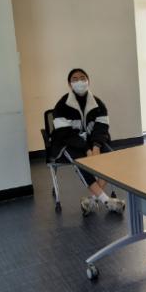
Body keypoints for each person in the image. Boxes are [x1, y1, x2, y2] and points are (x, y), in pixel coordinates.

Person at [50, 68, 124, 216]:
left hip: (92, 141)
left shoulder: (98, 104)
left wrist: (96, 146)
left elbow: (102, 128)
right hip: (68, 143)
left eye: (82, 78)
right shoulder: (62, 105)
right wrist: (87, 149)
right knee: (82, 162)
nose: (79, 81)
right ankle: (106, 201)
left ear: (88, 81)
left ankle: (92, 200)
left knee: (110, 158)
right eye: (75, 79)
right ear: (69, 84)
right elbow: (64, 133)